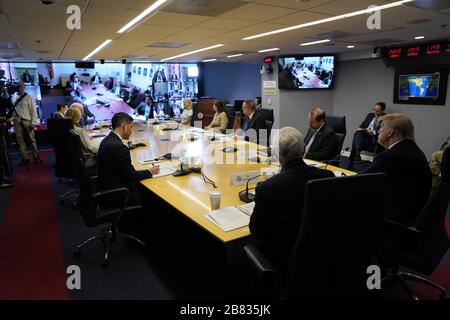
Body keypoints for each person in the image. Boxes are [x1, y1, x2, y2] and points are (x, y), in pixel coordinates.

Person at [249, 127, 334, 273]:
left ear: (276, 153)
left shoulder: (267, 189)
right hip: (321, 254)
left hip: (281, 260)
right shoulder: (327, 176)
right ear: (304, 148)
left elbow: (256, 231)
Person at [363, 113, 431, 225]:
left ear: (390, 133)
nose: (379, 131)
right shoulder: (413, 149)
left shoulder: (392, 156)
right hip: (415, 213)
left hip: (396, 220)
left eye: (381, 128)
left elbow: (360, 181)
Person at [97, 112, 159, 207]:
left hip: (105, 187)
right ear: (124, 126)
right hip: (118, 194)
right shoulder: (119, 147)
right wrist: (150, 171)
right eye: (130, 127)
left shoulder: (107, 140)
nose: (131, 131)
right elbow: (131, 176)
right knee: (152, 192)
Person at [348, 102, 386, 169]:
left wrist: (373, 132)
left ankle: (356, 154)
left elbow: (382, 132)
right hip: (364, 136)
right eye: (374, 109)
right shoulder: (370, 115)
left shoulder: (385, 118)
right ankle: (357, 152)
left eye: (377, 111)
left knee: (355, 140)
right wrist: (361, 129)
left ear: (382, 111)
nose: (375, 112)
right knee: (358, 132)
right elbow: (362, 125)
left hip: (374, 139)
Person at [8, 81, 39, 164]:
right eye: (18, 86)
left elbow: (33, 111)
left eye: (21, 86)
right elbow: (14, 110)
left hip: (27, 121)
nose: (19, 88)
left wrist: (33, 122)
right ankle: (25, 158)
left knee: (31, 140)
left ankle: (35, 156)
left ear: (24, 87)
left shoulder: (29, 97)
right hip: (16, 122)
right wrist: (12, 119)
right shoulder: (13, 97)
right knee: (20, 141)